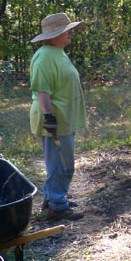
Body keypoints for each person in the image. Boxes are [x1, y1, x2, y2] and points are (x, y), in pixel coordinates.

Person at [29, 13, 88, 222]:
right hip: (54, 119)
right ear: (54, 35)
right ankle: (57, 207)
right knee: (63, 164)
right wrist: (49, 117)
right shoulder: (45, 56)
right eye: (67, 30)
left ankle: (51, 198)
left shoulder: (57, 52)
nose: (71, 32)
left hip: (63, 118)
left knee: (57, 162)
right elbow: (42, 91)